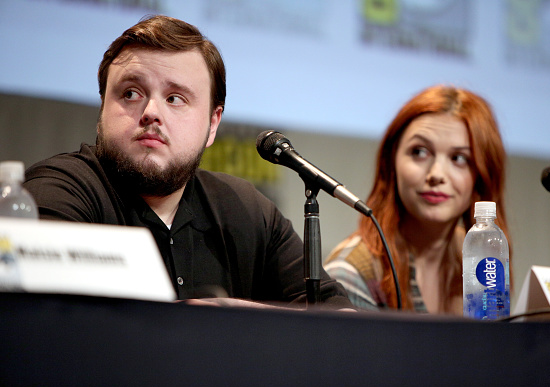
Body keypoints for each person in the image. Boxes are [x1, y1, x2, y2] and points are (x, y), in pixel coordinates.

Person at [24, 15, 352, 309]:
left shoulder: (245, 210)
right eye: (131, 94)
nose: (151, 111)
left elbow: (341, 319)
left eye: (175, 99)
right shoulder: (61, 192)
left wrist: (251, 320)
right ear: (102, 111)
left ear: (212, 124)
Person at [324, 85, 511, 314]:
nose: (436, 175)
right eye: (419, 152)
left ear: (482, 177)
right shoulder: (349, 273)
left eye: (459, 158)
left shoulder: (481, 252)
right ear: (391, 163)